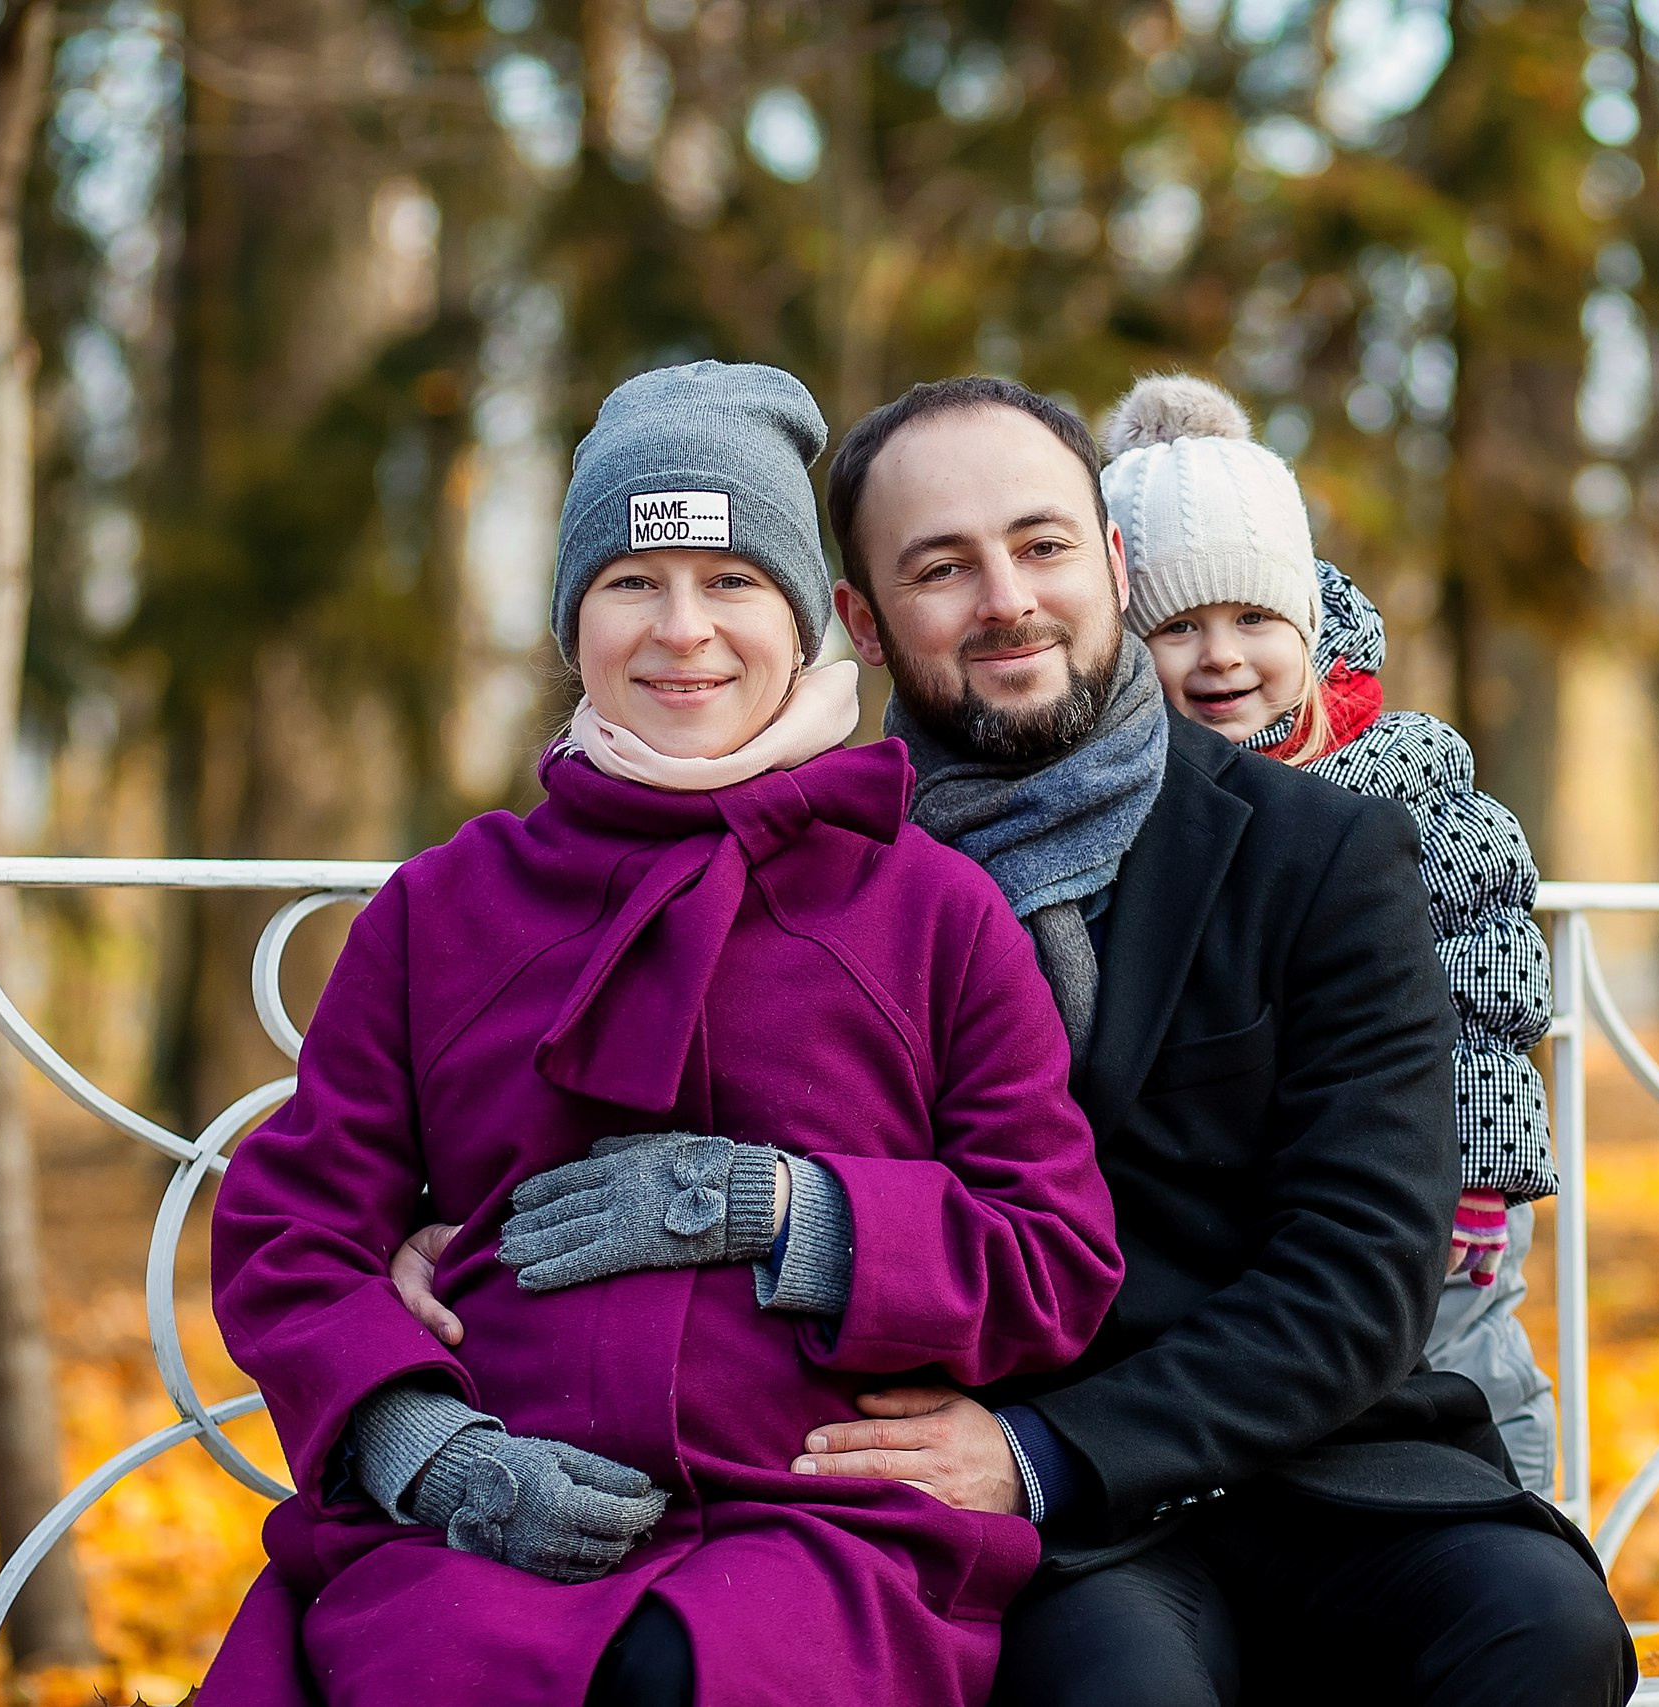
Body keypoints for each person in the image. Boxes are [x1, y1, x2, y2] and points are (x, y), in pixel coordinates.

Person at [395, 373, 1632, 1706]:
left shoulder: (1321, 853)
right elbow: (640, 1126)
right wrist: (437, 1235)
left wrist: (1047, 1450)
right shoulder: (815, 881)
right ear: (863, 622)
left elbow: (1363, 1265)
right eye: (942, 568)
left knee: (1540, 1632)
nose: (1006, 600)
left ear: (1112, 561)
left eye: (1042, 546)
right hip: (1027, 1525)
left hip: (1321, 1460)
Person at [199, 360, 1123, 1707]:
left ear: (806, 618)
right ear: (572, 623)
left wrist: (791, 1210)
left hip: (826, 1527)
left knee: (700, 1674)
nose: (683, 631)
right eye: (633, 581)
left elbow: (1052, 1255)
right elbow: (295, 1231)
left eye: (732, 580)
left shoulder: (932, 910)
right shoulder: (443, 908)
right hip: (488, 1521)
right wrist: (430, 1453)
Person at [1101, 373, 1560, 1493]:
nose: (1221, 655)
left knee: (1471, 1371)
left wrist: (1476, 1170)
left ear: (1307, 621)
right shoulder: (1134, 797)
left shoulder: (1398, 773)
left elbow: (1489, 979)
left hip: (1435, 1174)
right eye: (1177, 626)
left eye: (1254, 619)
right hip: (1256, 1189)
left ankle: (1524, 1523)